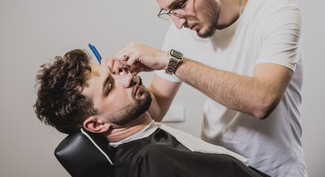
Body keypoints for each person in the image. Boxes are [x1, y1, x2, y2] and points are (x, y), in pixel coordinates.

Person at [110, 0, 307, 177]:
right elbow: (158, 108)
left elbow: (261, 101)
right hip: (219, 167)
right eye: (168, 12)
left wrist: (169, 61)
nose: (178, 22)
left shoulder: (278, 15)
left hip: (275, 171)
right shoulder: (181, 31)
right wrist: (128, 83)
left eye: (180, 5)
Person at [34, 49, 269, 177]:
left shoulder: (145, 140)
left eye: (113, 72)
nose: (127, 77)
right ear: (96, 125)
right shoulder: (152, 160)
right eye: (109, 86)